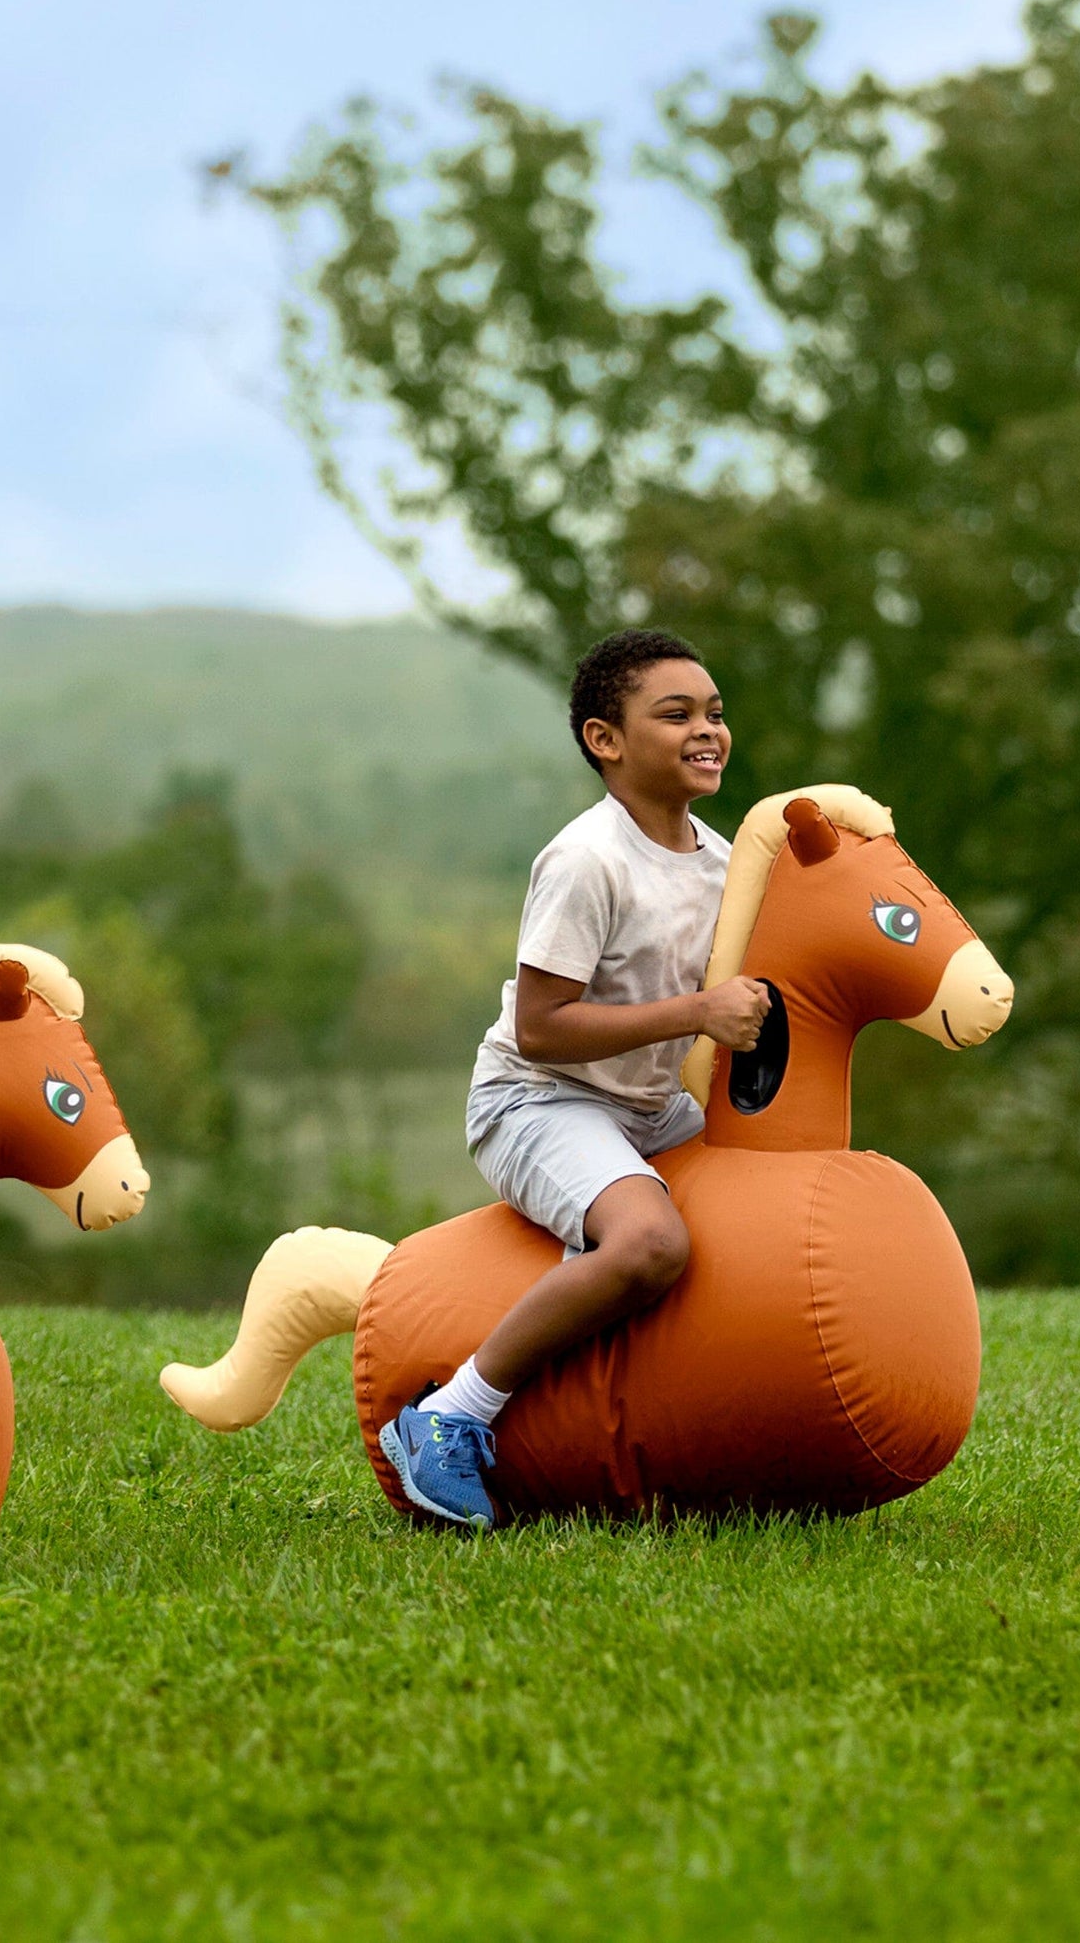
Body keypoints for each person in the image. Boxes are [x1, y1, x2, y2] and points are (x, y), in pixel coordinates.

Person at [380, 629, 770, 1532]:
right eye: (675, 714)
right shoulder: (586, 860)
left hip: (644, 1104)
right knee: (649, 1246)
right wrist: (697, 1014)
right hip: (539, 1097)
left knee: (762, 1188)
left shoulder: (720, 864)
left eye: (714, 712)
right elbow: (542, 1029)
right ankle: (450, 1414)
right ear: (606, 739)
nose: (706, 730)